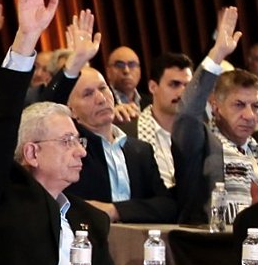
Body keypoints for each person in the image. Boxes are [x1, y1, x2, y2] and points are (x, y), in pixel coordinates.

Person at [0, 0, 117, 265]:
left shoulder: (92, 220)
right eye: (67, 141)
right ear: (31, 153)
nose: (81, 151)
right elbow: (1, 125)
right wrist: (26, 38)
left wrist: (76, 64)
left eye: (79, 140)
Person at [172, 7, 258, 224]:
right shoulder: (200, 145)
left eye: (255, 106)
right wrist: (217, 54)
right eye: (239, 105)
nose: (250, 115)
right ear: (216, 107)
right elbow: (187, 114)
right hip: (215, 242)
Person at [63, 64, 176, 222]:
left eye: (103, 88)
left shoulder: (140, 150)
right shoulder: (70, 151)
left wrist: (114, 210)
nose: (101, 99)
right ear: (71, 110)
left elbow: (167, 206)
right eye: (88, 94)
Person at [135, 53, 194, 188]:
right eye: (174, 84)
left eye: (187, 86)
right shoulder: (129, 134)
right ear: (153, 87)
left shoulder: (201, 132)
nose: (182, 93)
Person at [105, 46, 143, 124]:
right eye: (119, 65)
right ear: (108, 72)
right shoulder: (101, 102)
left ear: (139, 70)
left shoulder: (152, 103)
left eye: (132, 65)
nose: (126, 70)